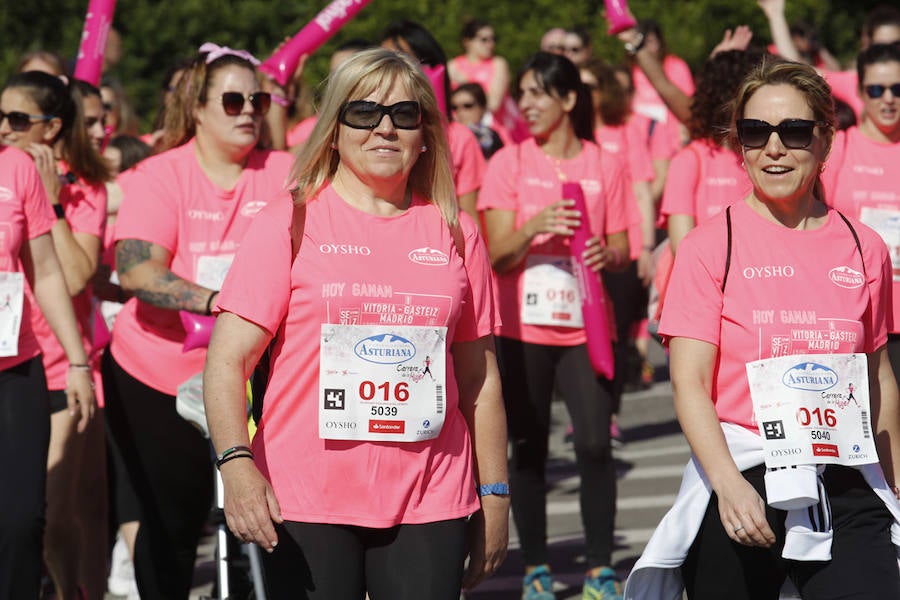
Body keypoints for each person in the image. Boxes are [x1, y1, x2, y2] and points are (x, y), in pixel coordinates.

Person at [202, 47, 508, 599]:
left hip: (430, 494)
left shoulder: (457, 232)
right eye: (364, 113)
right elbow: (228, 360)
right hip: (305, 496)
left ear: (425, 133)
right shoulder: (289, 221)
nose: (385, 128)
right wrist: (237, 465)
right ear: (335, 129)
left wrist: (496, 492)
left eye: (405, 115)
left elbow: (480, 383)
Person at [626, 57, 900, 600]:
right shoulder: (710, 245)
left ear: (825, 140)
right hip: (744, 470)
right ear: (740, 144)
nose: (773, 148)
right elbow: (689, 385)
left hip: (842, 471)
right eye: (756, 132)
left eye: (794, 131)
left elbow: (878, 379)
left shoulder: (864, 246)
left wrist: (895, 486)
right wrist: (728, 487)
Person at [102, 43, 294, 599]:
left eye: (257, 100)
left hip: (257, 376)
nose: (248, 111)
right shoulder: (159, 174)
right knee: (171, 527)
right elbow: (136, 270)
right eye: (232, 99)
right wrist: (222, 301)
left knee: (274, 520)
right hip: (156, 373)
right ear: (199, 107)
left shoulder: (285, 171)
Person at [479, 51, 631, 600]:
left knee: (594, 444)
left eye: (539, 93)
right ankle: (538, 568)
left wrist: (604, 256)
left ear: (568, 100)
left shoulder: (604, 163)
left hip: (586, 327)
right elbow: (496, 254)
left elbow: (622, 248)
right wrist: (535, 226)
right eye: (523, 94)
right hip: (523, 331)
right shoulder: (509, 163)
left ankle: (598, 569)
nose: (528, 104)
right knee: (528, 446)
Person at [1, 71, 110, 600]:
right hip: (28, 365)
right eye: (1, 117)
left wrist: (77, 361)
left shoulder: (71, 184)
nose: (5, 128)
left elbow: (61, 276)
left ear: (51, 127)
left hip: (33, 364)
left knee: (37, 518)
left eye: (17, 119)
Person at [823, 43, 900, 377]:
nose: (888, 99)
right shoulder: (840, 145)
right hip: (852, 316)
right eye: (876, 89)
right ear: (858, 92)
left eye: (897, 88)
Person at [381, 20, 487, 222]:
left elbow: (468, 218)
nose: (388, 71)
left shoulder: (460, 138)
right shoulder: (368, 132)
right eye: (382, 61)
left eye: (401, 61)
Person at [448, 19, 511, 115]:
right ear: (467, 42)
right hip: (459, 125)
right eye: (484, 40)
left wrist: (466, 82)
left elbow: (494, 104)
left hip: (493, 127)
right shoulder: (452, 66)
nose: (491, 44)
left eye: (493, 39)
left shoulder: (498, 64)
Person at [450, 83, 505, 158]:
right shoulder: (447, 135)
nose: (460, 112)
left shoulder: (493, 135)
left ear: (483, 107)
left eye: (468, 106)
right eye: (454, 107)